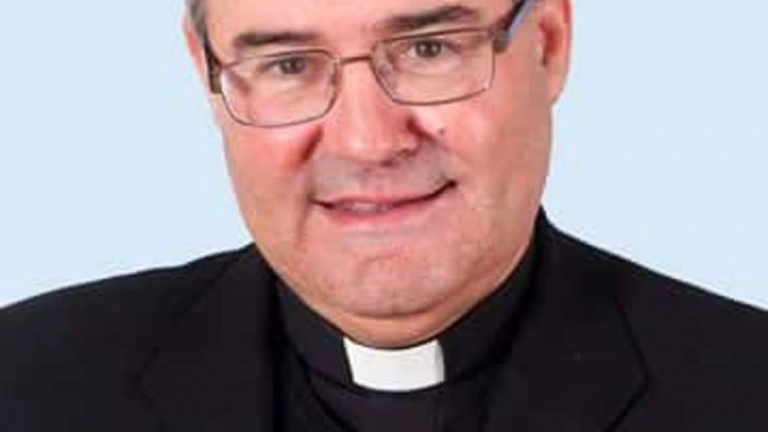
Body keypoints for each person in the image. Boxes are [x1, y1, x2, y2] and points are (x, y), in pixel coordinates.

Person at [1, 0, 766, 430]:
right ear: (208, 75)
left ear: (550, 44)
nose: (367, 141)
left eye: (430, 48)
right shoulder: (27, 383)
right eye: (288, 65)